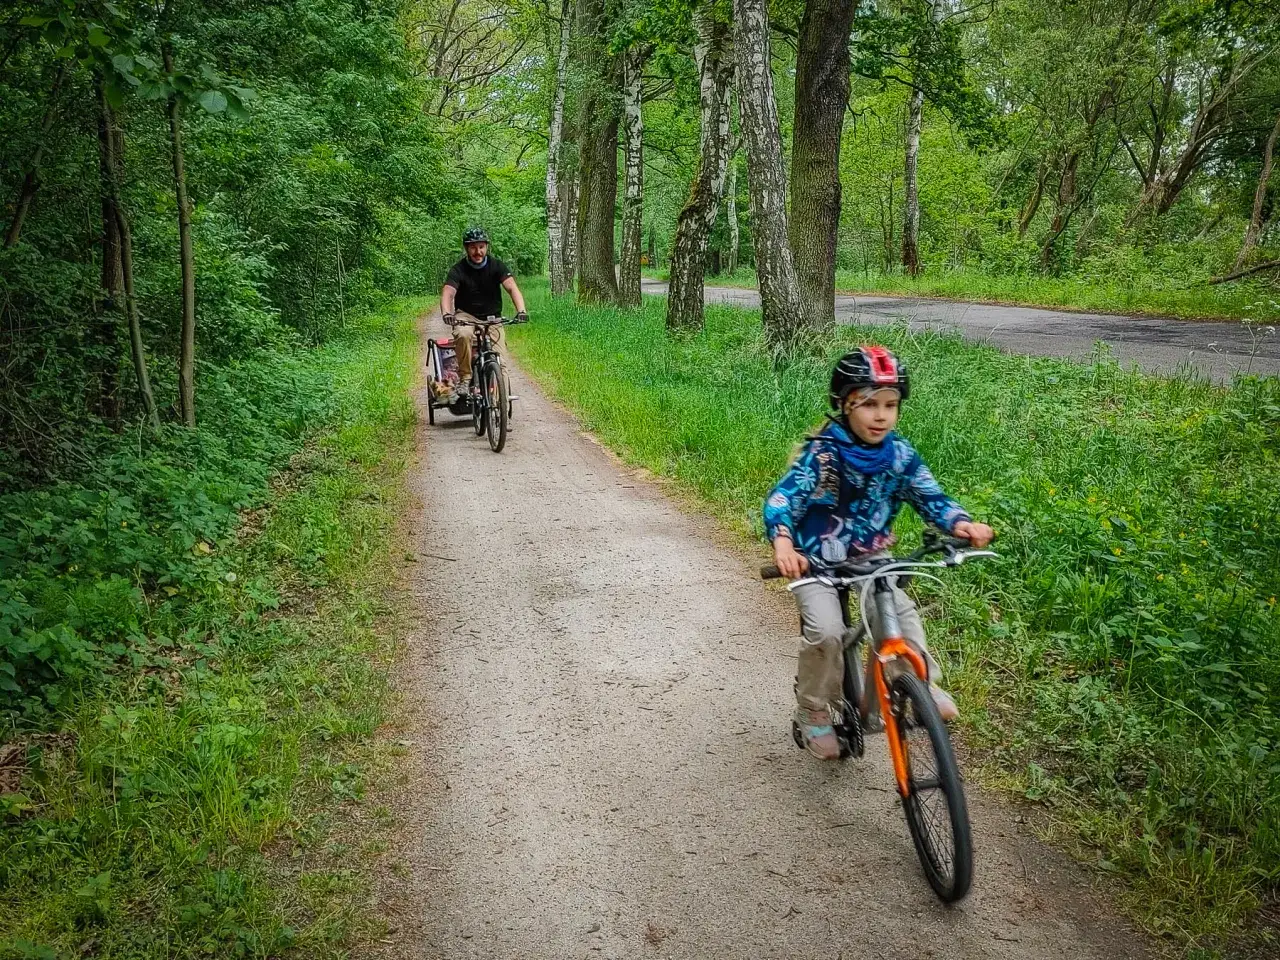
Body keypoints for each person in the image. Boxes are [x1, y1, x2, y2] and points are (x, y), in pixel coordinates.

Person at [763, 346, 994, 760]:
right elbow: (783, 499)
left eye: (890, 405)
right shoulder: (823, 455)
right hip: (816, 561)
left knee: (899, 615)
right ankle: (813, 709)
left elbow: (930, 496)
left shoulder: (900, 456)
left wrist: (960, 523)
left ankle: (920, 684)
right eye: (869, 404)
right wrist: (783, 543)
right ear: (844, 404)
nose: (881, 416)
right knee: (826, 632)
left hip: (872, 559)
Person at [441, 227, 528, 398]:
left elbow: (512, 288)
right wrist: (447, 313)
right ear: (466, 248)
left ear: (487, 247)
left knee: (500, 361)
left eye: (481, 247)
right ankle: (465, 377)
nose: (478, 251)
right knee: (463, 334)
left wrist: (521, 310)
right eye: (473, 247)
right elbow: (448, 293)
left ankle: (500, 400)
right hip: (466, 316)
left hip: (492, 318)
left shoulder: (497, 266)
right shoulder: (458, 269)